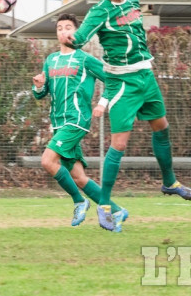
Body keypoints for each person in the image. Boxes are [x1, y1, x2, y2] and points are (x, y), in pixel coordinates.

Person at [68, 0, 191, 232]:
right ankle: (104, 206)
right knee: (119, 143)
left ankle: (170, 182)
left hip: (145, 76)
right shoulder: (99, 11)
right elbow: (81, 38)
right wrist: (72, 39)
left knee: (161, 126)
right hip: (122, 83)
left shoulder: (133, 0)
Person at [32, 13, 127, 230]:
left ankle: (79, 201)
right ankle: (117, 211)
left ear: (77, 32)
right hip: (58, 123)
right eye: (59, 28)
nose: (63, 31)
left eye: (68, 27)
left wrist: (103, 103)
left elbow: (113, 80)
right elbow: (42, 93)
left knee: (47, 161)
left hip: (76, 120)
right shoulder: (51, 60)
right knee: (79, 178)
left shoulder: (85, 59)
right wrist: (38, 85)